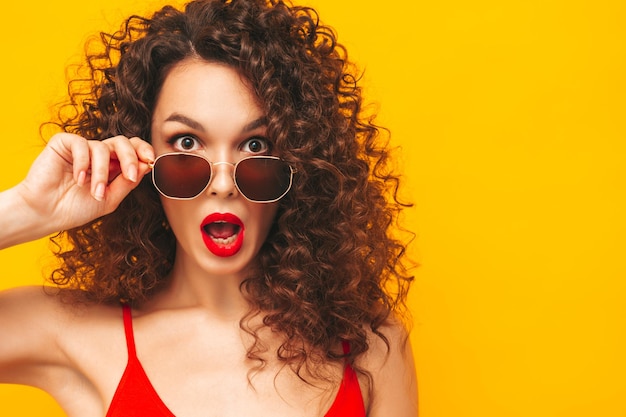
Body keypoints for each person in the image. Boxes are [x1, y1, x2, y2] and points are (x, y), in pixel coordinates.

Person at [0, 0, 417, 415]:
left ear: (299, 163)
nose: (222, 183)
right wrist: (28, 210)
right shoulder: (73, 333)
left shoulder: (369, 346)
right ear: (142, 155)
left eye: (255, 145)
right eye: (186, 143)